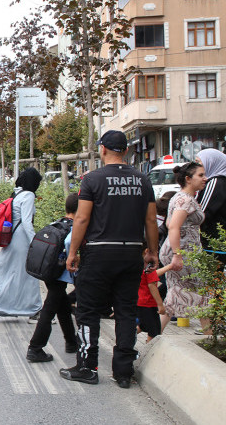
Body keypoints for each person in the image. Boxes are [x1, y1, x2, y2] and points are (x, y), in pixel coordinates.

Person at [60, 130, 158, 389]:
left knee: (88, 311)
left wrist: (72, 253)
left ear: (102, 149)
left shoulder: (92, 179)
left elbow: (81, 219)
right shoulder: (142, 179)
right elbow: (150, 220)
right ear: (125, 151)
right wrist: (152, 251)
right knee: (126, 311)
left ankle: (87, 367)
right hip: (131, 253)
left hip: (99, 253)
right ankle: (123, 372)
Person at [0, 167, 43, 322]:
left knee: (6, 272)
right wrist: (36, 243)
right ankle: (34, 311)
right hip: (22, 240)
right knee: (29, 274)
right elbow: (27, 223)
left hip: (12, 239)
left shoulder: (17, 193)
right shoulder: (28, 195)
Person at [26, 193, 79, 363]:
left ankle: (71, 342)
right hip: (60, 273)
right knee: (48, 311)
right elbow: (72, 245)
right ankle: (35, 348)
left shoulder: (56, 223)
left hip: (48, 271)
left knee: (62, 305)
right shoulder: (74, 228)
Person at [159, 162, 209, 334]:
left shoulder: (180, 197)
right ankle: (210, 336)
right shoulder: (185, 200)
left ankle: (150, 335)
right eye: (201, 175)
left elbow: (169, 224)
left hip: (180, 252)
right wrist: (177, 254)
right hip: (183, 254)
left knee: (175, 296)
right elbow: (173, 226)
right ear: (188, 179)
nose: (205, 179)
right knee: (202, 293)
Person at [195, 149, 226, 256]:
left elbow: (201, 213)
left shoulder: (214, 182)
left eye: (199, 162)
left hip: (213, 241)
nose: (196, 166)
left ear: (211, 163)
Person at [137, 246, 170, 343]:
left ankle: (126, 338)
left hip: (139, 301)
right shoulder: (149, 267)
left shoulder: (138, 264)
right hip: (148, 303)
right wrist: (160, 305)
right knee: (154, 331)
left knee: (143, 325)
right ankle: (149, 350)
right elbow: (152, 285)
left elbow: (152, 276)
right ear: (147, 251)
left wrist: (169, 267)